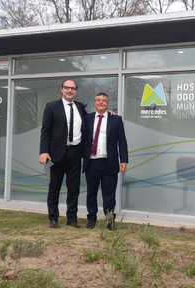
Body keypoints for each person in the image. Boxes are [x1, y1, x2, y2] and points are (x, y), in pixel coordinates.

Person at [39, 79, 87, 228]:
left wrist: (107, 114)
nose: (70, 90)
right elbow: (45, 131)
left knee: (74, 188)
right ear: (62, 89)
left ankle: (71, 219)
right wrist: (43, 151)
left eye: (73, 88)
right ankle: (53, 218)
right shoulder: (52, 106)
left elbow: (89, 122)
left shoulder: (80, 107)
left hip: (76, 152)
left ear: (76, 91)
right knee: (55, 187)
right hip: (57, 153)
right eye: (67, 88)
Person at [82, 92, 128, 230]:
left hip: (109, 163)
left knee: (109, 194)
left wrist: (124, 160)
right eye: (98, 100)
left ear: (107, 103)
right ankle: (91, 219)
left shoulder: (116, 119)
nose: (101, 102)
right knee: (91, 193)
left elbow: (122, 142)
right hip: (92, 162)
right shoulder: (87, 118)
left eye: (104, 101)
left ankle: (109, 220)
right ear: (94, 103)